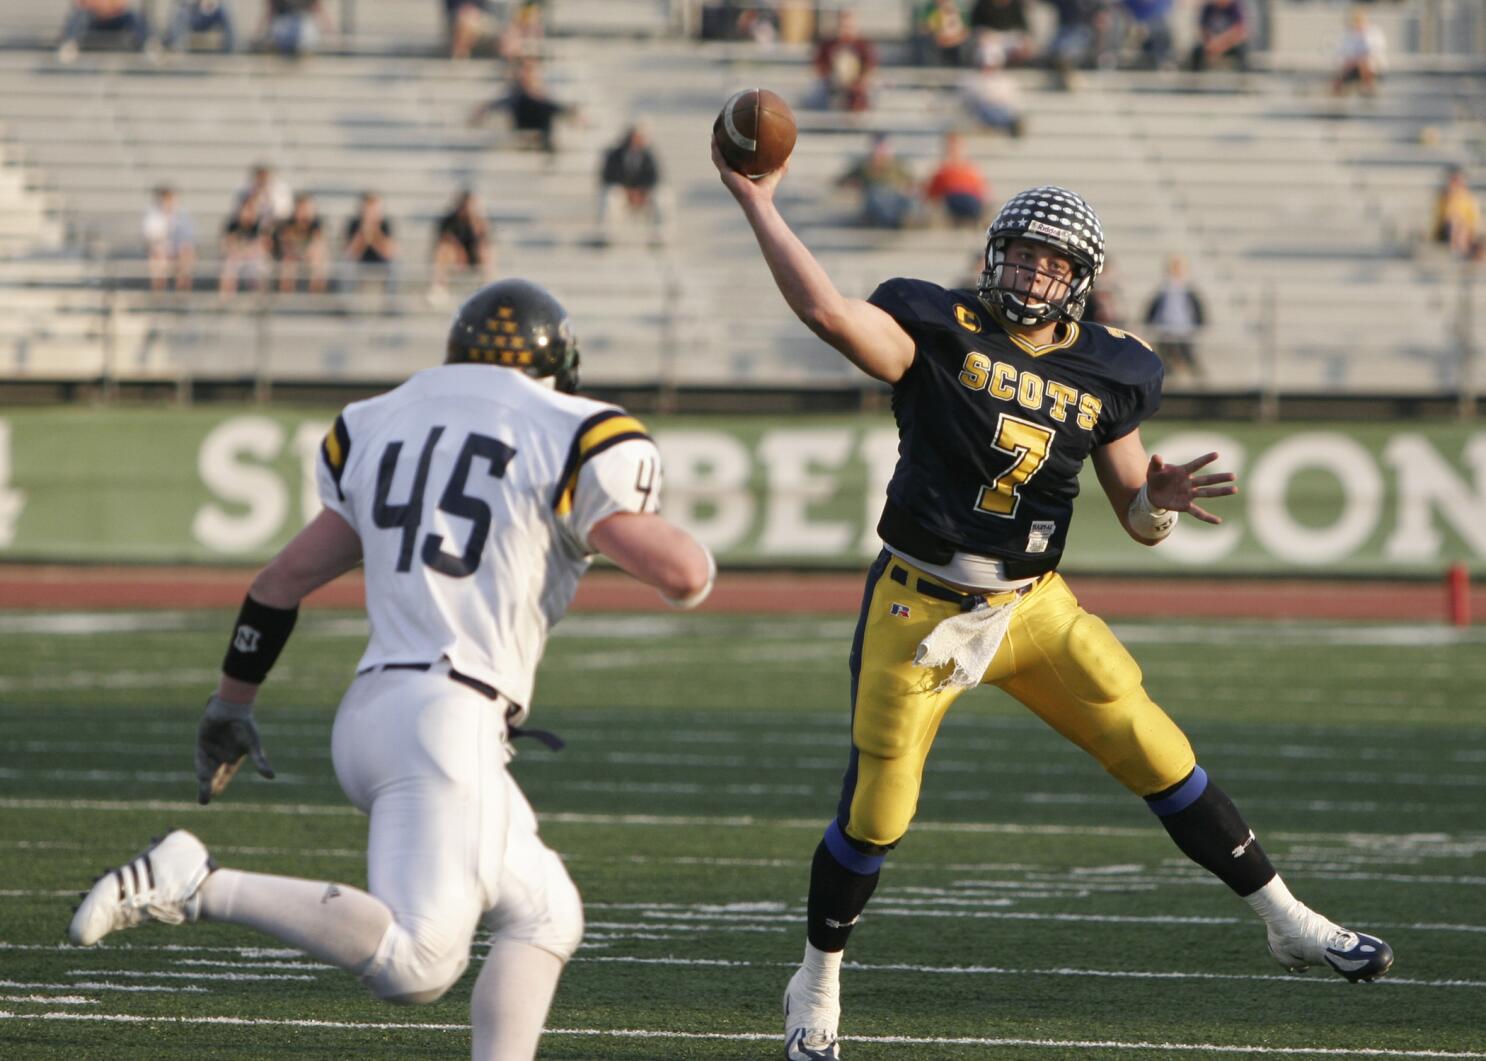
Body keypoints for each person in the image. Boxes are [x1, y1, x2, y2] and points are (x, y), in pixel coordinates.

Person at [710, 150, 1396, 1061]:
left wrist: (1158, 501)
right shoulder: (935, 322)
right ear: (994, 255)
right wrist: (758, 201)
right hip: (921, 607)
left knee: (1156, 744)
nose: (1036, 273)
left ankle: (1287, 919)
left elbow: (1137, 520)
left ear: (1081, 282)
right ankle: (817, 982)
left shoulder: (1111, 370)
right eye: (1025, 254)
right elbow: (826, 313)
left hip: (1033, 602)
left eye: (1055, 263)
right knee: (880, 806)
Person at [68, 278, 717, 1061]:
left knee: (546, 913)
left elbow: (277, 584)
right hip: (451, 716)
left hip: (376, 712)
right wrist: (697, 557)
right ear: (558, 365)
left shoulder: (378, 422)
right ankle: (195, 880)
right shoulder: (573, 429)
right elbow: (678, 574)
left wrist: (228, 706)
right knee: (417, 963)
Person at [470, 58, 573, 154]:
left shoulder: (543, 91)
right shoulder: (514, 92)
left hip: (539, 121)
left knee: (544, 105)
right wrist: (483, 110)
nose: (527, 74)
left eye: (530, 70)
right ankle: (543, 142)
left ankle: (545, 142)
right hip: (522, 121)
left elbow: (553, 105)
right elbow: (501, 103)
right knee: (534, 101)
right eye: (525, 70)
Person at [596, 123, 666, 247]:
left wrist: (641, 191)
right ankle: (607, 236)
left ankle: (659, 235)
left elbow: (654, 177)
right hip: (622, 194)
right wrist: (627, 191)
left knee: (660, 196)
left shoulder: (648, 156)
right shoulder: (614, 155)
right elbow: (608, 176)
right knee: (611, 195)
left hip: (642, 195)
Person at [1143, 253, 1206, 381]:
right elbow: (1152, 310)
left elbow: (1198, 310)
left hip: (1184, 330)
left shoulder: (1189, 291)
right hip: (1165, 329)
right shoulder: (1163, 290)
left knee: (1186, 352)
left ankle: (1196, 376)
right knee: (1165, 352)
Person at [836, 134, 917, 230]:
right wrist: (853, 185)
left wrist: (907, 189)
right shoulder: (863, 166)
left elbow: (912, 183)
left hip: (894, 198)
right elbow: (841, 182)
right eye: (878, 148)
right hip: (874, 201)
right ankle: (892, 221)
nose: (881, 152)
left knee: (906, 200)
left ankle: (901, 220)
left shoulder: (897, 165)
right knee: (876, 197)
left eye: (884, 148)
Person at [430, 190, 495, 302]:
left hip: (472, 257)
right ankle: (440, 287)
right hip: (454, 257)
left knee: (486, 250)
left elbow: (482, 241)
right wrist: (460, 252)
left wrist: (475, 221)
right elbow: (445, 240)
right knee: (444, 250)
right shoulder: (449, 220)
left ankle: (488, 286)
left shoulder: (478, 221)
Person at [805, 10, 877, 113]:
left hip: (857, 87)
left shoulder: (863, 45)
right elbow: (818, 67)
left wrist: (857, 83)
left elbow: (870, 68)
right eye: (843, 25)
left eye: (849, 25)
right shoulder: (828, 45)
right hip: (831, 86)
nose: (846, 29)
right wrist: (834, 79)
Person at [922, 132, 988, 229]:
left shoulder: (972, 171)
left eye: (957, 147)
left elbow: (982, 194)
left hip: (971, 203)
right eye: (952, 147)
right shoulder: (941, 172)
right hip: (951, 203)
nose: (955, 151)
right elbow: (931, 195)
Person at [960, 39, 1025, 136]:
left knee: (1001, 110)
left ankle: (1008, 122)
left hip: (999, 111)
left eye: (992, 66)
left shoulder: (1007, 82)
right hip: (980, 113)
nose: (988, 68)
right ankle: (1008, 122)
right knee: (987, 108)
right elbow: (972, 101)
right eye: (985, 65)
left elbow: (1011, 102)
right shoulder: (970, 80)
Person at [57, 0, 152, 62]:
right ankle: (69, 45)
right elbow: (81, 4)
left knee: (133, 15)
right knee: (80, 15)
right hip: (95, 19)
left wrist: (105, 8)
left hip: (115, 19)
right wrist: (101, 7)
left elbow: (122, 5)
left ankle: (150, 46)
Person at [342, 191, 399, 294]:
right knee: (347, 265)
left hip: (380, 261)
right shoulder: (354, 223)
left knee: (395, 265)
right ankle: (346, 303)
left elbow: (389, 252)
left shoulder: (385, 224)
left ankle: (392, 305)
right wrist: (363, 233)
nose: (371, 212)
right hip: (359, 261)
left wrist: (375, 233)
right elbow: (350, 253)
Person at [143, 185, 197, 293]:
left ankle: (182, 294)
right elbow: (152, 238)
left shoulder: (182, 215)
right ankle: (159, 294)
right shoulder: (153, 216)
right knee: (158, 257)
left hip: (178, 252)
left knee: (187, 255)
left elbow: (188, 238)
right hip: (160, 251)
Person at [272, 193, 328, 294]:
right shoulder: (288, 224)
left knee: (318, 260)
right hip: (291, 257)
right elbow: (287, 247)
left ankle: (315, 297)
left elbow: (319, 244)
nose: (304, 212)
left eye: (306, 208)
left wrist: (308, 254)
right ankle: (286, 297)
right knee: (288, 264)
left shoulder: (316, 224)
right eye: (302, 208)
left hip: (308, 257)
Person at [218, 195, 270, 296]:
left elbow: (264, 246)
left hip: (254, 259)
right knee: (228, 267)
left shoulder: (260, 225)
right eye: (246, 209)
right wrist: (243, 250)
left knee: (261, 268)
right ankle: (225, 299)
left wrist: (245, 250)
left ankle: (260, 301)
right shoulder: (233, 225)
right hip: (237, 258)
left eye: (251, 209)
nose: (249, 213)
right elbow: (227, 245)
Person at [1432, 167, 1483, 262]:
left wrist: (1470, 229)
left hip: (1465, 230)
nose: (1456, 184)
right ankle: (1457, 249)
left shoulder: (1469, 198)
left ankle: (1461, 250)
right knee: (1455, 220)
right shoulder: (1444, 198)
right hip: (1446, 230)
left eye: (1458, 180)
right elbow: (1442, 217)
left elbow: (1473, 218)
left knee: (1461, 225)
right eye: (1454, 180)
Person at [1332, 8, 1386, 96]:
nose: (1357, 24)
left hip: (1372, 67)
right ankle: (1337, 92)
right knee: (1345, 68)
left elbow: (1375, 51)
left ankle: (1368, 87)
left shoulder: (1374, 32)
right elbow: (1343, 54)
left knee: (1363, 62)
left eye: (1359, 21)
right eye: (1355, 21)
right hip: (1352, 67)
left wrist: (1359, 59)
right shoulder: (1349, 35)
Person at [1190, 0, 1249, 72]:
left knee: (1242, 51)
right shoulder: (1208, 8)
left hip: (1229, 44)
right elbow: (1203, 30)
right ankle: (1194, 79)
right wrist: (1211, 44)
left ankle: (1244, 78)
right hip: (1211, 44)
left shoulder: (1234, 7)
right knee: (1196, 52)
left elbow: (1238, 31)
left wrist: (1221, 44)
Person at [258, 0, 331, 57]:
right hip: (283, 27)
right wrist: (260, 34)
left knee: (304, 31)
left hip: (304, 28)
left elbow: (319, 9)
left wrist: (330, 32)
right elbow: (270, 12)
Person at [163, 0, 237, 52]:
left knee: (225, 8)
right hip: (192, 15)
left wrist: (211, 4)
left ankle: (230, 50)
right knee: (180, 11)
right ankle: (176, 48)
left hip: (210, 16)